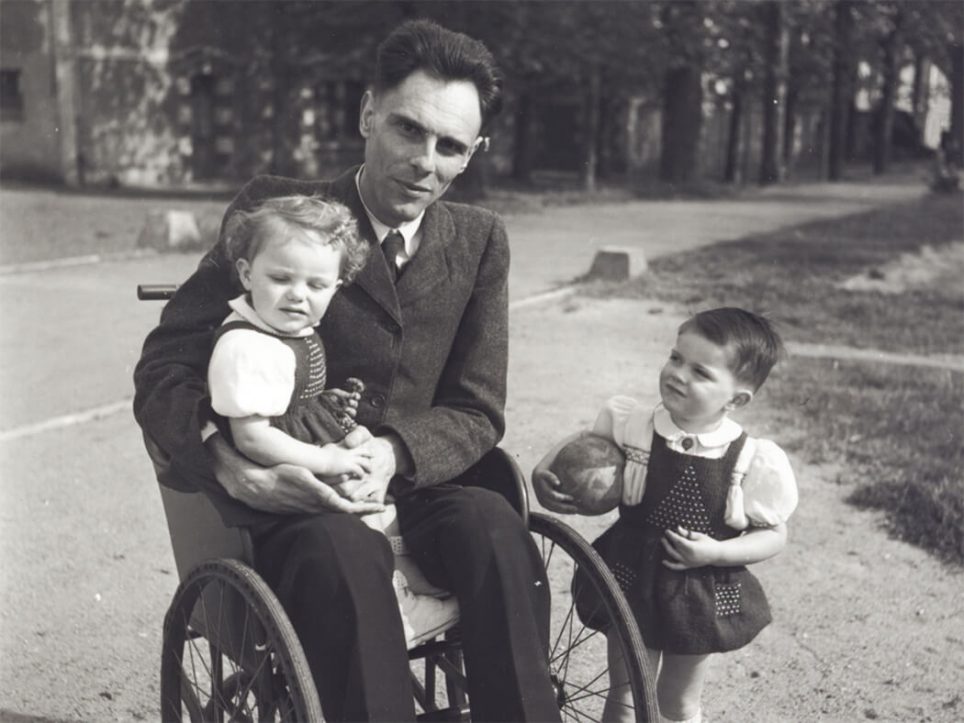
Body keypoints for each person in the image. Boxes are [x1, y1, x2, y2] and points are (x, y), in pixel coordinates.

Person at [134, 18, 562, 723]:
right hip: (296, 498)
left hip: (415, 484)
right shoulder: (279, 215)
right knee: (345, 554)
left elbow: (478, 406)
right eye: (408, 130)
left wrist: (394, 453)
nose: (424, 162)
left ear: (472, 155)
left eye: (450, 146)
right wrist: (228, 462)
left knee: (494, 526)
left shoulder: (479, 240)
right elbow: (165, 364)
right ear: (368, 114)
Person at [533, 308, 798, 723]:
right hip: (630, 574)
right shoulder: (635, 425)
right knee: (624, 693)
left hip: (696, 590)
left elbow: (775, 534)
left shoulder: (750, 458)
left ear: (736, 400)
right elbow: (584, 442)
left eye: (700, 372)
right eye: (676, 358)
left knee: (677, 702)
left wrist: (717, 553)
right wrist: (543, 470)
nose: (678, 374)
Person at [209, 195, 373, 480]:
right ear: (247, 275)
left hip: (303, 442)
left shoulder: (284, 328)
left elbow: (286, 390)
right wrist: (325, 461)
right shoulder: (247, 348)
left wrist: (315, 401)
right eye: (280, 279)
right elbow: (252, 439)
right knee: (358, 490)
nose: (297, 294)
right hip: (278, 465)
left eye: (316, 285)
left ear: (334, 289)